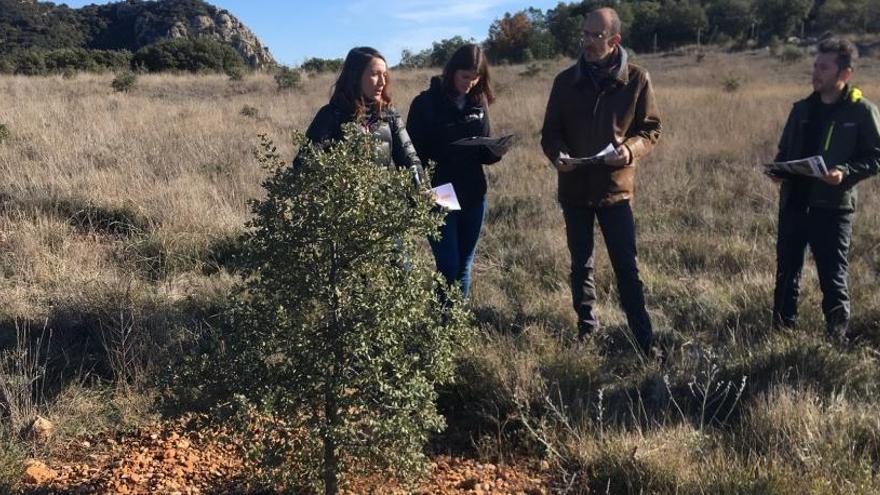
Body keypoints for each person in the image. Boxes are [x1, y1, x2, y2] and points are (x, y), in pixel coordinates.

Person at [540, 8, 661, 355]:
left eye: (596, 35)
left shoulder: (637, 80)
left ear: (614, 40)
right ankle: (586, 329)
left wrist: (630, 151)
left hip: (615, 189)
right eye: (585, 34)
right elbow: (550, 133)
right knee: (581, 264)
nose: (588, 41)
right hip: (575, 188)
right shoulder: (565, 82)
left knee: (627, 266)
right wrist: (558, 156)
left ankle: (643, 339)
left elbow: (651, 129)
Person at [770, 38, 880, 341]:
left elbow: (875, 157)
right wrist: (779, 170)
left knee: (832, 277)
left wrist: (844, 173)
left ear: (844, 74)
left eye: (823, 67)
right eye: (815, 65)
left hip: (833, 208)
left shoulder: (860, 112)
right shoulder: (801, 109)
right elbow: (784, 152)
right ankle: (781, 334)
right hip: (795, 203)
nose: (815, 72)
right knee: (786, 274)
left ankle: (836, 339)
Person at [406, 44, 510, 298]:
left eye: (476, 78)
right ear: (452, 71)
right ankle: (442, 325)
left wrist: (495, 152)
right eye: (465, 76)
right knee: (448, 265)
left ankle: (454, 327)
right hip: (440, 191)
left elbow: (484, 152)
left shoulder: (478, 102)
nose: (471, 83)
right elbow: (410, 156)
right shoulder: (426, 103)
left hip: (473, 193)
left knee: (464, 265)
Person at [295, 46, 424, 185]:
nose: (382, 82)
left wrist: (419, 191)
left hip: (382, 203)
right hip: (344, 205)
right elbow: (304, 164)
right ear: (355, 76)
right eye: (375, 74)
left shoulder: (389, 114)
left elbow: (410, 159)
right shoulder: (331, 115)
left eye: (384, 75)